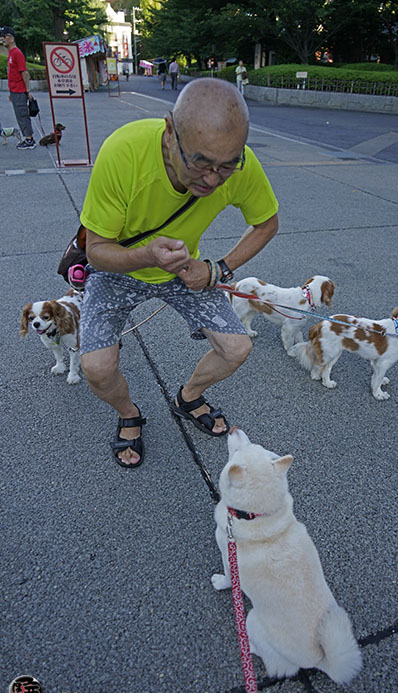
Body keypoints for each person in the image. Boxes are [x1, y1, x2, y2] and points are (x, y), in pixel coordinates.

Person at [79, 78, 279, 468]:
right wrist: (145, 256)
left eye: (227, 165)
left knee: (237, 348)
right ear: (170, 131)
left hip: (185, 269)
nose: (213, 179)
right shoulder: (123, 152)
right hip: (121, 265)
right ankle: (128, 413)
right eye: (200, 163)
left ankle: (187, 397)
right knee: (96, 368)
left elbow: (267, 223)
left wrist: (218, 269)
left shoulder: (240, 164)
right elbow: (97, 253)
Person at [0, 26, 35, 149]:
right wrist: (11, 92)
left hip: (20, 90)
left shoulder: (16, 53)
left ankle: (29, 140)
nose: (2, 39)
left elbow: (24, 72)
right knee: (19, 114)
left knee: (22, 114)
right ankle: (28, 138)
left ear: (11, 38)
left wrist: (27, 90)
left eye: (4, 36)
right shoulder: (11, 53)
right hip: (15, 90)